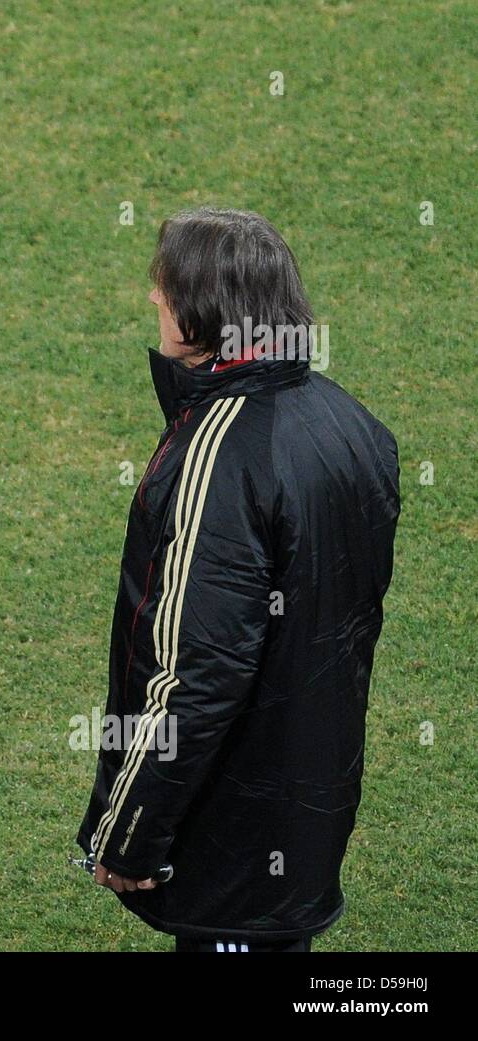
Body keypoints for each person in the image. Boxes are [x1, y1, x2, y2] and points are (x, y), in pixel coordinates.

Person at [77, 208, 400, 953]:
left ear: (199, 313)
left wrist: (127, 832)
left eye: (163, 288)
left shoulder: (219, 455)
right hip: (307, 809)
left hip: (234, 832)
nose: (153, 299)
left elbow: (196, 672)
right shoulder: (353, 426)